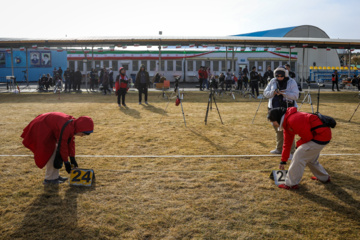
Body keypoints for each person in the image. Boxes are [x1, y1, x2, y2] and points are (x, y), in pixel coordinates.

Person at [21, 112, 94, 184]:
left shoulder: (72, 124)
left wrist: (72, 158)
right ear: (80, 129)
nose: (81, 136)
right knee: (51, 152)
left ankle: (55, 176)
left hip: (45, 126)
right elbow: (63, 145)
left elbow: (70, 142)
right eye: (83, 134)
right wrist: (66, 162)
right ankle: (49, 179)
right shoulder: (67, 127)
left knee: (55, 151)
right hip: (40, 127)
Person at [267, 107, 331, 189]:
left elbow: (308, 137)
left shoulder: (293, 119)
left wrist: (298, 146)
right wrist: (283, 161)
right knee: (311, 159)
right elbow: (287, 143)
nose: (273, 124)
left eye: (273, 121)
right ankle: (324, 178)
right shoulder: (287, 122)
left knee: (298, 157)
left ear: (277, 118)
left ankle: (291, 184)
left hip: (320, 136)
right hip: (320, 135)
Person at [264, 66, 299, 156]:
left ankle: (291, 152)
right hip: (274, 109)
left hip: (288, 109)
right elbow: (265, 93)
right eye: (277, 76)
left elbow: (296, 96)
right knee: (278, 130)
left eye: (281, 76)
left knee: (289, 130)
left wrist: (285, 94)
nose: (279, 78)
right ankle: (279, 149)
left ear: (285, 75)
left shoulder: (292, 82)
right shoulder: (272, 81)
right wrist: (273, 93)